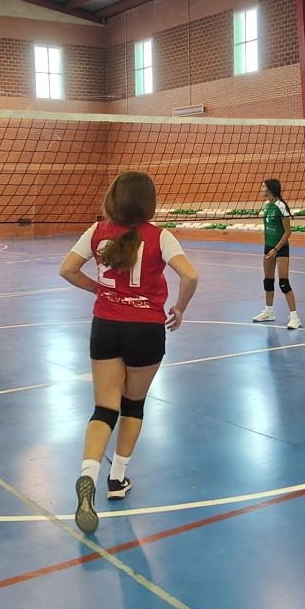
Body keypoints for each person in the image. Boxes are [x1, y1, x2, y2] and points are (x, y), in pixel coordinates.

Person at [60, 171, 200, 533]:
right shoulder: (160, 236)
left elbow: (67, 270)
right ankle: (117, 479)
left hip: (105, 327)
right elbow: (191, 276)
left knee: (103, 408)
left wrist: (99, 291)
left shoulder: (97, 233)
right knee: (133, 405)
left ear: (114, 199)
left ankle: (88, 472)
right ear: (148, 203)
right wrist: (180, 308)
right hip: (146, 330)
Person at [252, 178, 301, 330]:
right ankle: (269, 312)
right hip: (268, 247)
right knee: (268, 281)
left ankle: (294, 317)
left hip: (280, 248)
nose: (261, 189)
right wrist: (269, 248)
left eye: (263, 187)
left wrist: (276, 249)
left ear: (270, 189)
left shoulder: (281, 206)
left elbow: (288, 232)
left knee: (284, 282)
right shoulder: (267, 205)